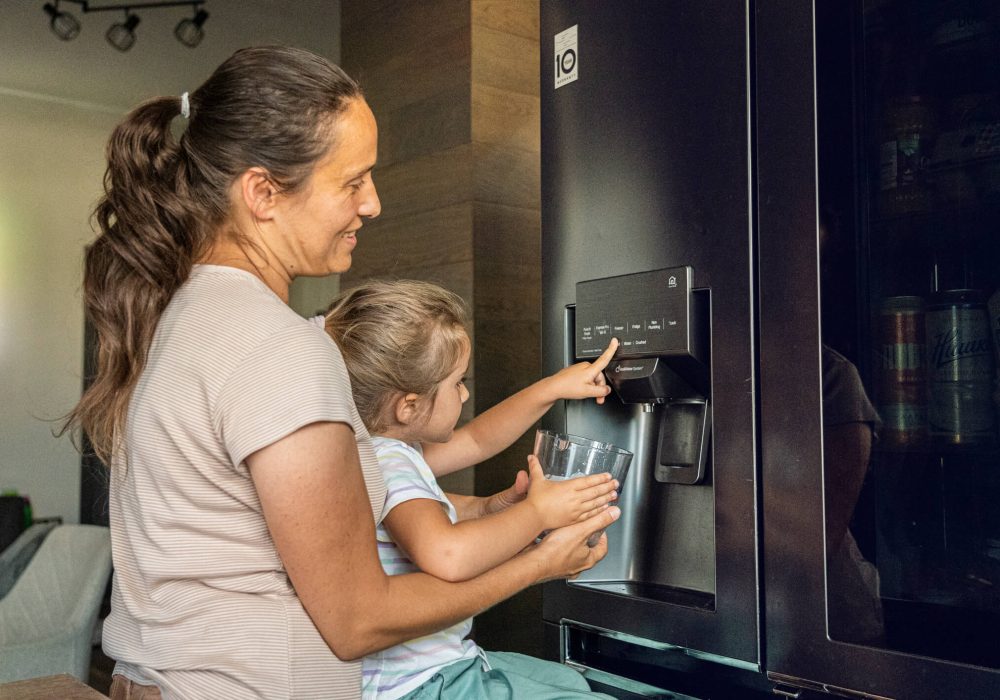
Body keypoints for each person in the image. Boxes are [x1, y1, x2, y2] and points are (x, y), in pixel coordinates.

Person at [60, 46, 620, 699]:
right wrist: (539, 562)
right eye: (353, 182)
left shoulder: (176, 316)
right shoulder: (278, 348)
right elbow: (358, 619)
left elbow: (289, 527)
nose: (374, 204)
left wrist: (490, 509)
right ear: (263, 193)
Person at [322, 279, 620, 699]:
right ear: (408, 406)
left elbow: (477, 440)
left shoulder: (380, 447)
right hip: (421, 685)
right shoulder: (390, 461)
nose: (465, 393)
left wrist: (552, 387)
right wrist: (537, 512)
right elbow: (448, 555)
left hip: (438, 667)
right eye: (458, 383)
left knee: (569, 682)